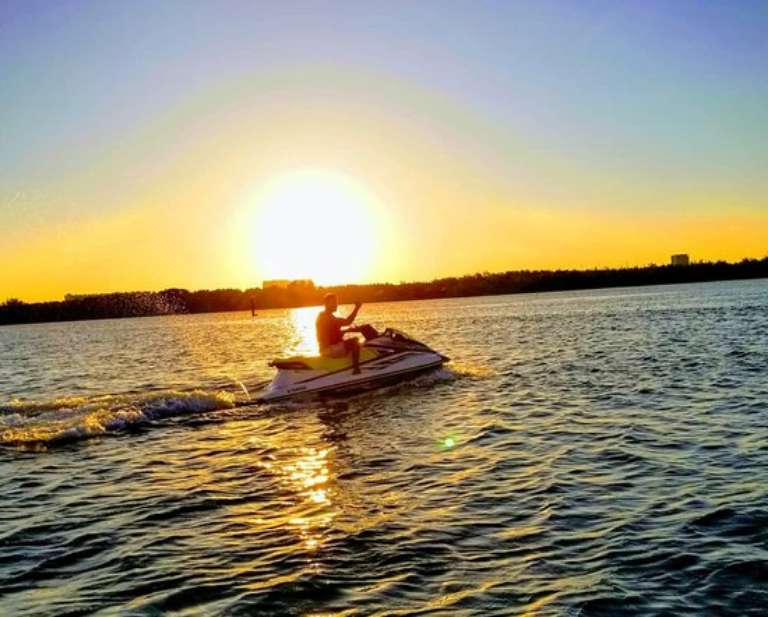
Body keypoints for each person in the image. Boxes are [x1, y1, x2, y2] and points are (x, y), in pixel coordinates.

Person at [316, 294, 362, 374]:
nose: (336, 305)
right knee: (355, 341)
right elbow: (347, 322)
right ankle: (356, 370)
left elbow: (334, 330)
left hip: (328, 348)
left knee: (350, 341)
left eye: (336, 302)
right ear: (326, 304)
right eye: (333, 302)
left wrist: (347, 331)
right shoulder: (325, 317)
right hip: (329, 349)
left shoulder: (328, 316)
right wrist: (357, 308)